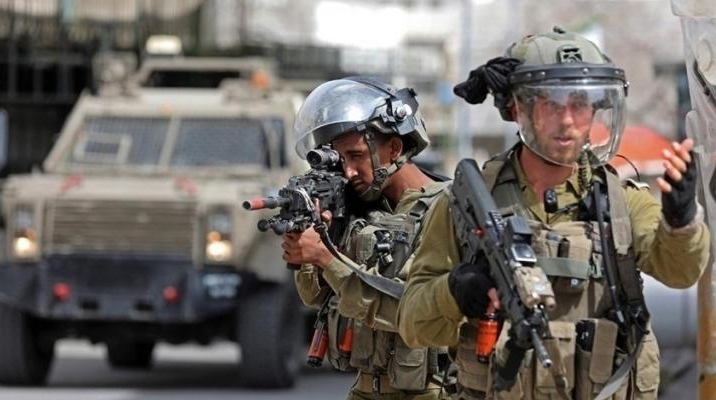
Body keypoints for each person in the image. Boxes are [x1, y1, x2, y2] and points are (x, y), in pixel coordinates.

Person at [397, 27, 710, 400]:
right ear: (518, 109)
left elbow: (681, 272)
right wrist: (454, 291)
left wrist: (680, 219)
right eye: (552, 104)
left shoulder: (621, 203)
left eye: (580, 104)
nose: (568, 121)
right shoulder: (467, 205)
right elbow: (412, 325)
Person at [283, 76, 449, 400]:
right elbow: (317, 299)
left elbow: (410, 309)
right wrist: (312, 251)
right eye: (341, 159)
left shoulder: (444, 209)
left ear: (394, 148)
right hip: (366, 388)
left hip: (431, 392)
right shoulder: (364, 210)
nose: (348, 172)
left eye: (356, 155)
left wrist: (326, 258)